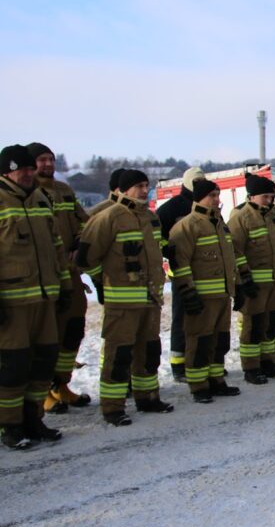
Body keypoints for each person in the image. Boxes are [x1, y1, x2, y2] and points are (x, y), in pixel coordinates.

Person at [77, 169, 169, 425]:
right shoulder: (109, 217)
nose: (143, 190)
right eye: (139, 186)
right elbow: (85, 259)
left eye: (146, 185)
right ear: (125, 189)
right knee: (119, 355)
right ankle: (113, 407)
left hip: (150, 299)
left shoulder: (151, 218)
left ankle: (148, 397)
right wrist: (105, 281)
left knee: (149, 351)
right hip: (123, 302)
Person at [0, 145, 69, 448]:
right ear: (6, 172)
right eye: (21, 169)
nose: (28, 173)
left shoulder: (41, 199)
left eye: (30, 168)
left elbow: (56, 247)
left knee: (44, 362)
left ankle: (33, 419)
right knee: (13, 368)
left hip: (45, 300)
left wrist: (65, 286)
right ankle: (10, 427)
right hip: (13, 303)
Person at [169, 179, 250, 402]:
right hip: (202, 298)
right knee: (200, 342)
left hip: (222, 296)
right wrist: (188, 293)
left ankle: (217, 380)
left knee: (219, 341)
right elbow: (180, 263)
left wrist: (238, 287)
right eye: (211, 196)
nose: (216, 199)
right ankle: (198, 385)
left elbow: (230, 258)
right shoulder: (186, 226)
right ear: (199, 198)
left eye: (217, 195)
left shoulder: (220, 224)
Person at [29, 142, 93, 413]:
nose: (48, 165)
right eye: (42, 160)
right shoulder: (26, 194)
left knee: (73, 331)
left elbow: (84, 222)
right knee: (44, 336)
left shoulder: (64, 191)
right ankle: (41, 391)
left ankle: (61, 384)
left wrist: (79, 245)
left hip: (70, 274)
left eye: (51, 159)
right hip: (41, 278)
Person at [228, 174, 275, 385]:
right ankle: (251, 367)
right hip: (255, 284)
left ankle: (268, 363)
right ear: (252, 196)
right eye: (265, 196)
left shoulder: (273, 215)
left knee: (270, 324)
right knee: (253, 326)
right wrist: (244, 277)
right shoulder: (241, 217)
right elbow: (235, 250)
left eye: (271, 196)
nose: (269, 200)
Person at [156, 166, 206, 383]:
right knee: (182, 318)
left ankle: (200, 361)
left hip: (206, 272)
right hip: (183, 273)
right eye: (195, 182)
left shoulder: (207, 206)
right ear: (186, 183)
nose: (198, 186)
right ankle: (178, 365)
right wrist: (169, 250)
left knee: (204, 319)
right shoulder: (171, 209)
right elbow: (156, 236)